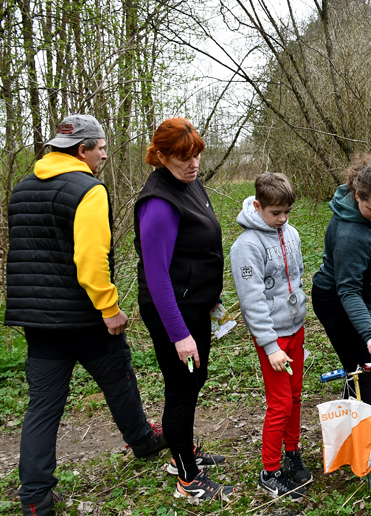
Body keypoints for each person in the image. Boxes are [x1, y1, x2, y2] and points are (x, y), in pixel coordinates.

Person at [5, 115, 166, 516]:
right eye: (102, 150)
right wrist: (109, 309)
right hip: (85, 317)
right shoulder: (88, 190)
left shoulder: (22, 188)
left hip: (37, 320)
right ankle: (142, 440)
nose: (105, 157)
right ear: (82, 150)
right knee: (119, 377)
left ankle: (35, 497)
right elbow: (91, 260)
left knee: (42, 406)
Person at [134, 118, 232, 499]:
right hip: (172, 310)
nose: (193, 165)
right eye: (183, 158)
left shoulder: (189, 183)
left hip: (195, 303)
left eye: (196, 156)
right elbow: (157, 277)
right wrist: (180, 335)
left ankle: (182, 453)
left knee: (193, 382)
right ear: (160, 156)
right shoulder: (158, 203)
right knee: (181, 389)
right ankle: (187, 479)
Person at [311, 155, 371, 471]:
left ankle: (368, 423)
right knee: (358, 367)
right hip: (338, 302)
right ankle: (365, 442)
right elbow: (346, 290)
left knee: (364, 367)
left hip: (361, 300)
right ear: (357, 196)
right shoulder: (349, 233)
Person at [230, 173, 310, 500]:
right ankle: (270, 470)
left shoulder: (290, 233)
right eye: (275, 213)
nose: (282, 219)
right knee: (279, 404)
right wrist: (270, 345)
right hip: (273, 339)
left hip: (296, 330)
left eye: (287, 212)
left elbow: (297, 278)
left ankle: (291, 452)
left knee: (294, 397)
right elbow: (252, 301)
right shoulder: (246, 246)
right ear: (258, 205)